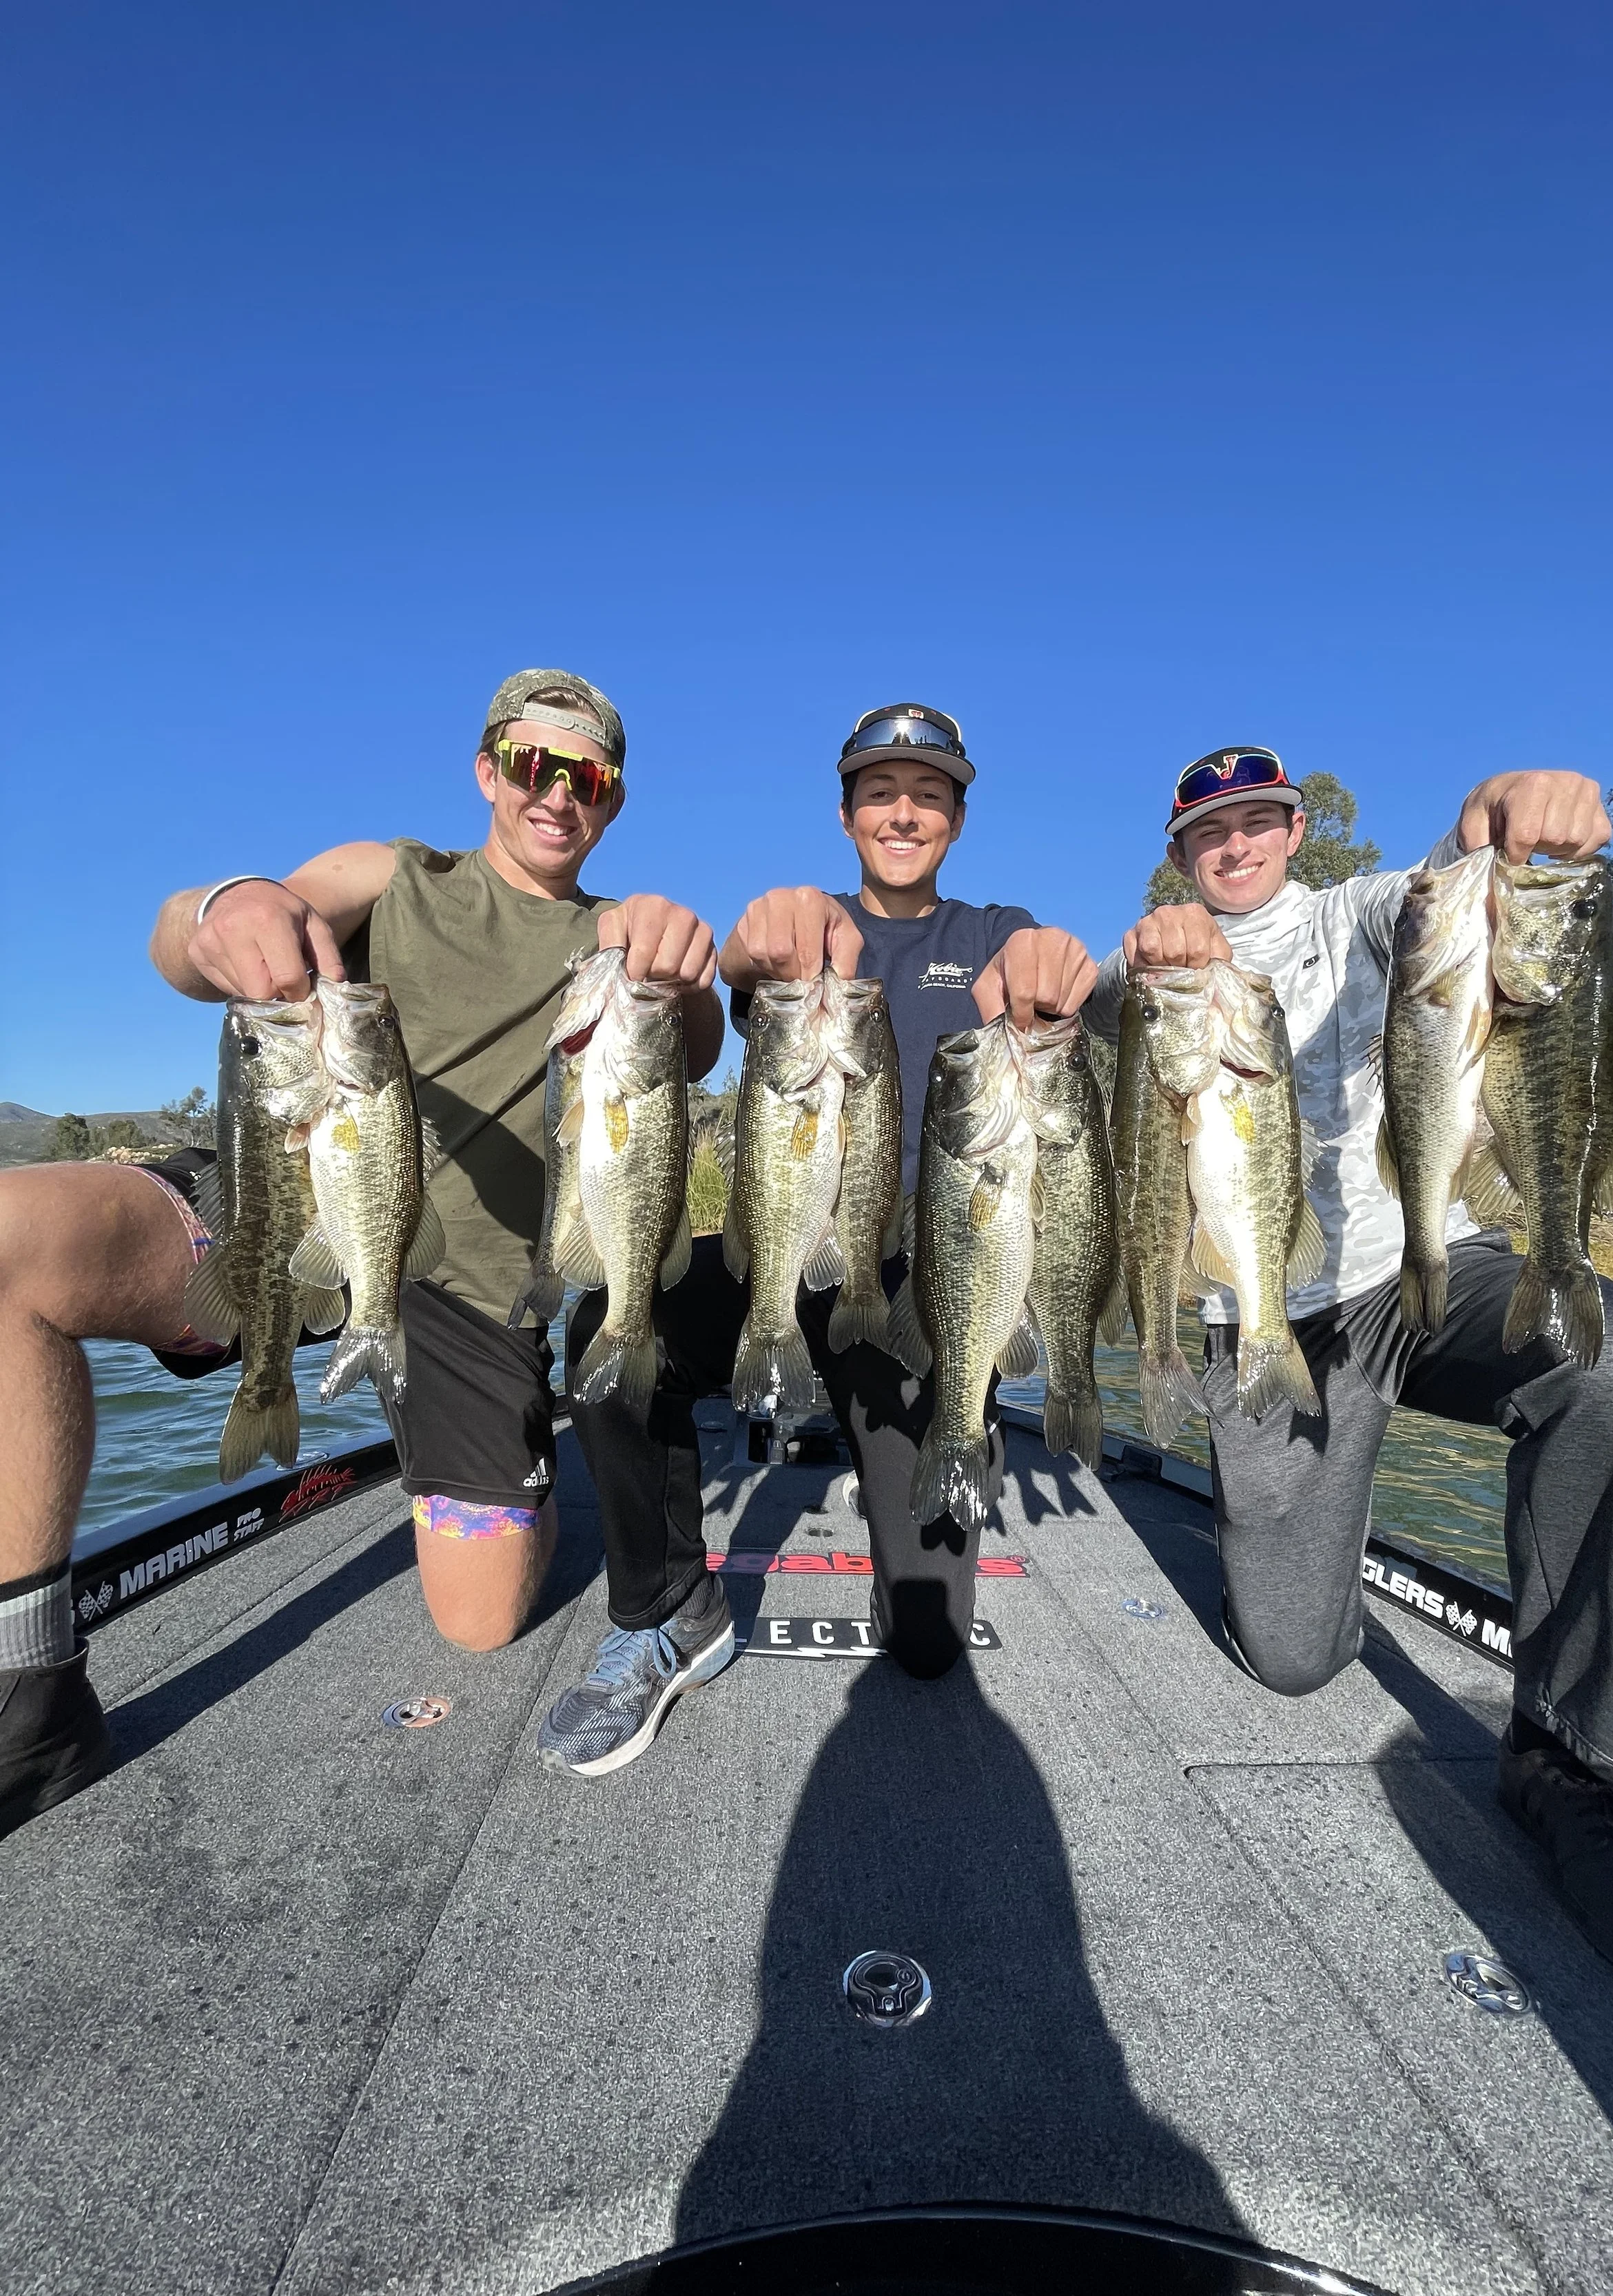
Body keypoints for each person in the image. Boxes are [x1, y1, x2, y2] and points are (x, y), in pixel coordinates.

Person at [0, 668, 734, 1840]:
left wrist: (680, 965)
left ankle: (505, 1453)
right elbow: (186, 944)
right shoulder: (391, 874)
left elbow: (690, 1055)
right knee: (8, 1242)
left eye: (586, 778)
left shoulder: (613, 940)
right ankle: (26, 1694)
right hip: (278, 1199)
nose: (557, 795)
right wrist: (223, 907)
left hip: (462, 1295)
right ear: (489, 771)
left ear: (614, 800)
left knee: (481, 1621)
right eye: (533, 765)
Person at [1085, 745, 1613, 2011]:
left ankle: (1578, 1765)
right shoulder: (1156, 964)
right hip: (1276, 1317)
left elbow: (1446, 880)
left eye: (1258, 822)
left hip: (1432, 1266)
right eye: (1209, 835)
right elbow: (1101, 1003)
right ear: (1179, 854)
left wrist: (1502, 819)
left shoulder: (1367, 913)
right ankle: (1324, 1534)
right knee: (1293, 1660)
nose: (1237, 847)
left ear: (1296, 828)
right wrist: (1131, 963)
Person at [533, 701, 1097, 1779]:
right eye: (881, 793)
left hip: (923, 1285)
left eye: (929, 795)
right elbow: (737, 969)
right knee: (611, 1317)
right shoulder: (805, 939)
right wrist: (753, 942)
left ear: (959, 821)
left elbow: (1057, 971)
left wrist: (1054, 966)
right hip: (789, 1254)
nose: (904, 813)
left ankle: (922, 1435)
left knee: (928, 1644)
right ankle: (668, 1608)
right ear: (845, 816)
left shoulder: (990, 931)